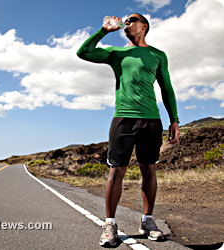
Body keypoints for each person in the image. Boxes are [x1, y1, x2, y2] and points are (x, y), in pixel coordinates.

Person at [77, 13, 180, 246]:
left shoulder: (158, 55)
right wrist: (103, 31)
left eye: (132, 19)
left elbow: (167, 89)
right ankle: (110, 224)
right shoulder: (116, 53)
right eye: (126, 21)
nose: (127, 22)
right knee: (116, 171)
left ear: (144, 26)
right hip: (123, 118)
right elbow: (83, 52)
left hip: (151, 120)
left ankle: (147, 220)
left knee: (149, 171)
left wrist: (174, 119)